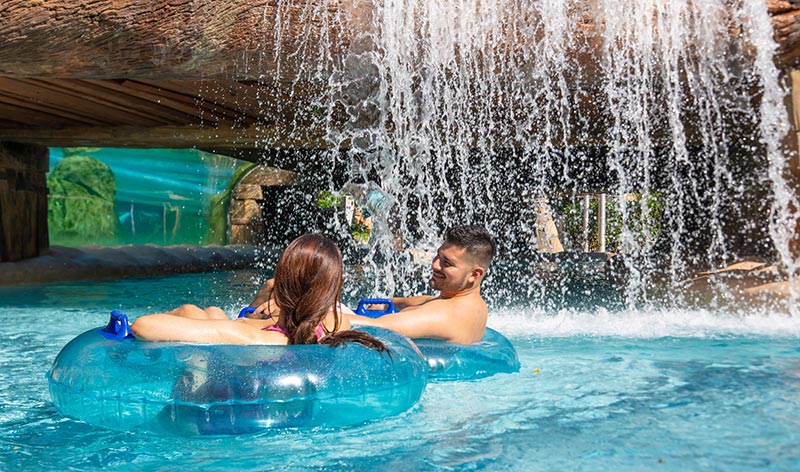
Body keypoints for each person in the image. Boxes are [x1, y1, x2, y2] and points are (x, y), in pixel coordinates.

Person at [131, 233, 388, 352]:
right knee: (213, 311)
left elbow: (143, 326)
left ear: (283, 282)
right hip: (281, 316)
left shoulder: (252, 337)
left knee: (192, 311)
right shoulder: (336, 322)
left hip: (213, 402)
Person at [349, 225, 496, 344]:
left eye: (447, 263)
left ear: (475, 274)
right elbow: (424, 301)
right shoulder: (474, 306)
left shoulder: (443, 314)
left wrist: (329, 317)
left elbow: (374, 327)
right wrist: (388, 303)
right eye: (438, 255)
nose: (435, 265)